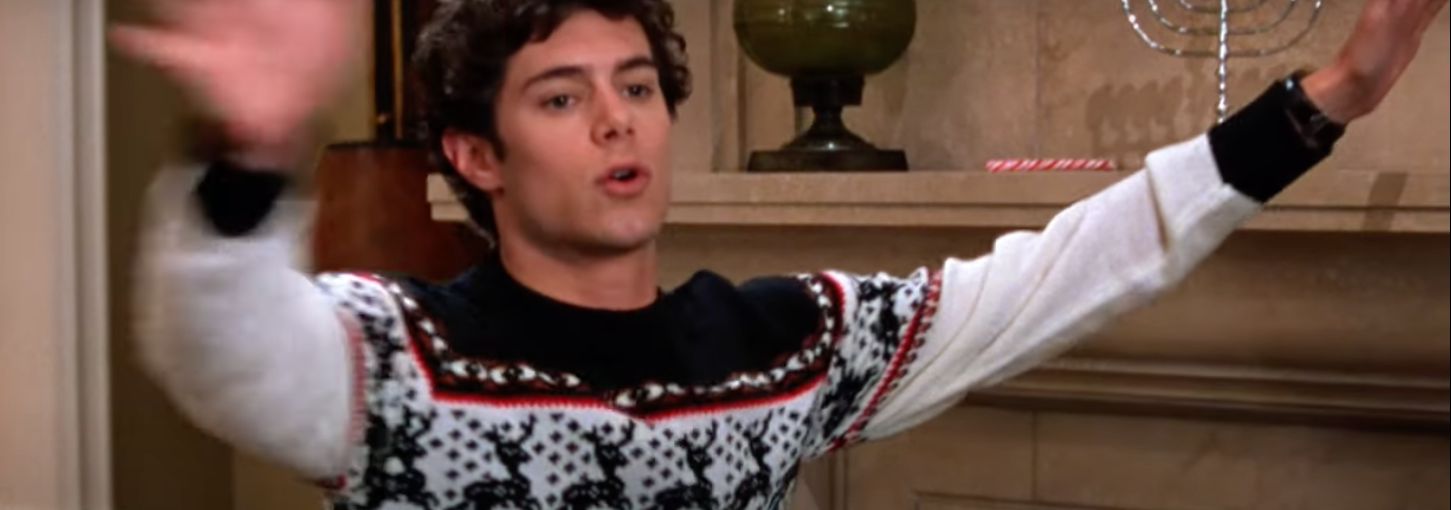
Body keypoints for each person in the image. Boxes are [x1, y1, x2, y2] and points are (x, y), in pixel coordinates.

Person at [112, 0, 1446, 508]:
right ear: (477, 154)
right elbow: (221, 348)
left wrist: (1325, 100)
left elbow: (1082, 262)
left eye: (638, 85)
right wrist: (246, 146)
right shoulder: (399, 356)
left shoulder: (783, 343)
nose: (618, 120)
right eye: (562, 97)